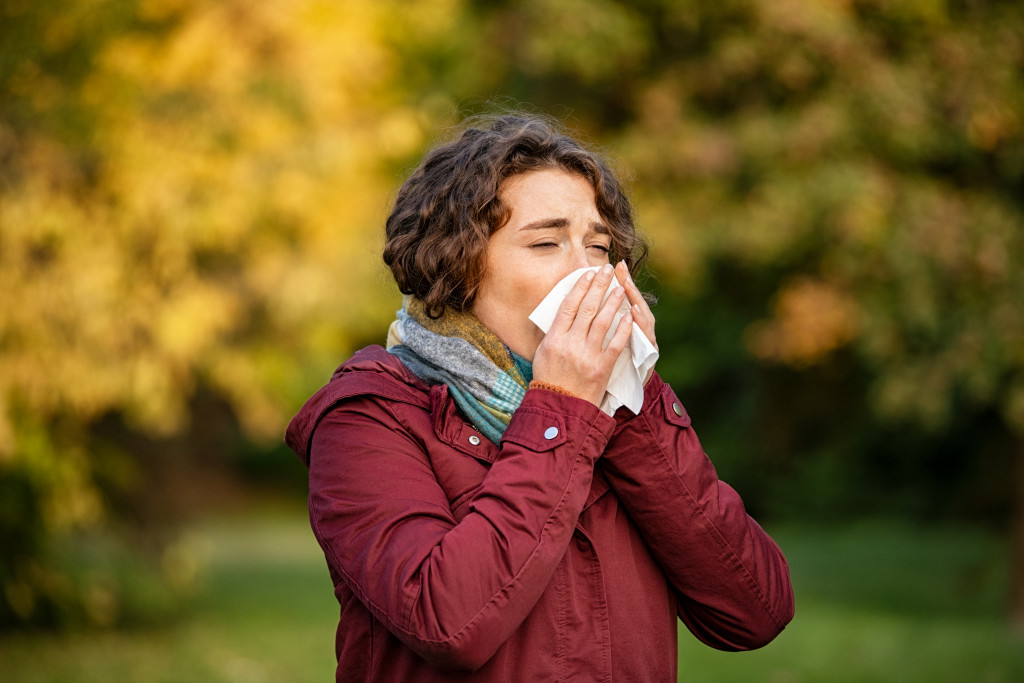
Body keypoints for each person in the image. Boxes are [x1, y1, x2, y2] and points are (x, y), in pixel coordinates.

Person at [285, 114, 794, 682]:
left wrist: (630, 397)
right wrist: (562, 408)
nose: (586, 273)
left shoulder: (618, 415)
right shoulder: (369, 416)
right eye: (547, 242)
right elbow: (448, 623)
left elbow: (755, 611)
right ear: (459, 265)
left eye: (599, 247)